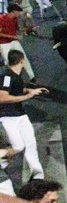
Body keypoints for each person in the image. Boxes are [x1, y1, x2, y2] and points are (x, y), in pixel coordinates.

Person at [0, 50, 48, 185]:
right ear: (21, 60)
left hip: (20, 114)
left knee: (31, 143)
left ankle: (38, 176)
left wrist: (32, 91)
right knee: (19, 146)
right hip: (8, 117)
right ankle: (1, 160)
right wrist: (28, 96)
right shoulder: (7, 76)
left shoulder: (16, 75)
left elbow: (17, 89)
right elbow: (2, 97)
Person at [0, 4, 36, 85]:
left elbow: (19, 29)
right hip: (4, 43)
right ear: (13, 12)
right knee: (9, 63)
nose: (19, 13)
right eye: (18, 12)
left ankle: (32, 77)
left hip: (14, 40)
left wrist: (29, 29)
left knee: (23, 57)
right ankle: (10, 83)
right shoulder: (1, 19)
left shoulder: (15, 19)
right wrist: (13, 36)